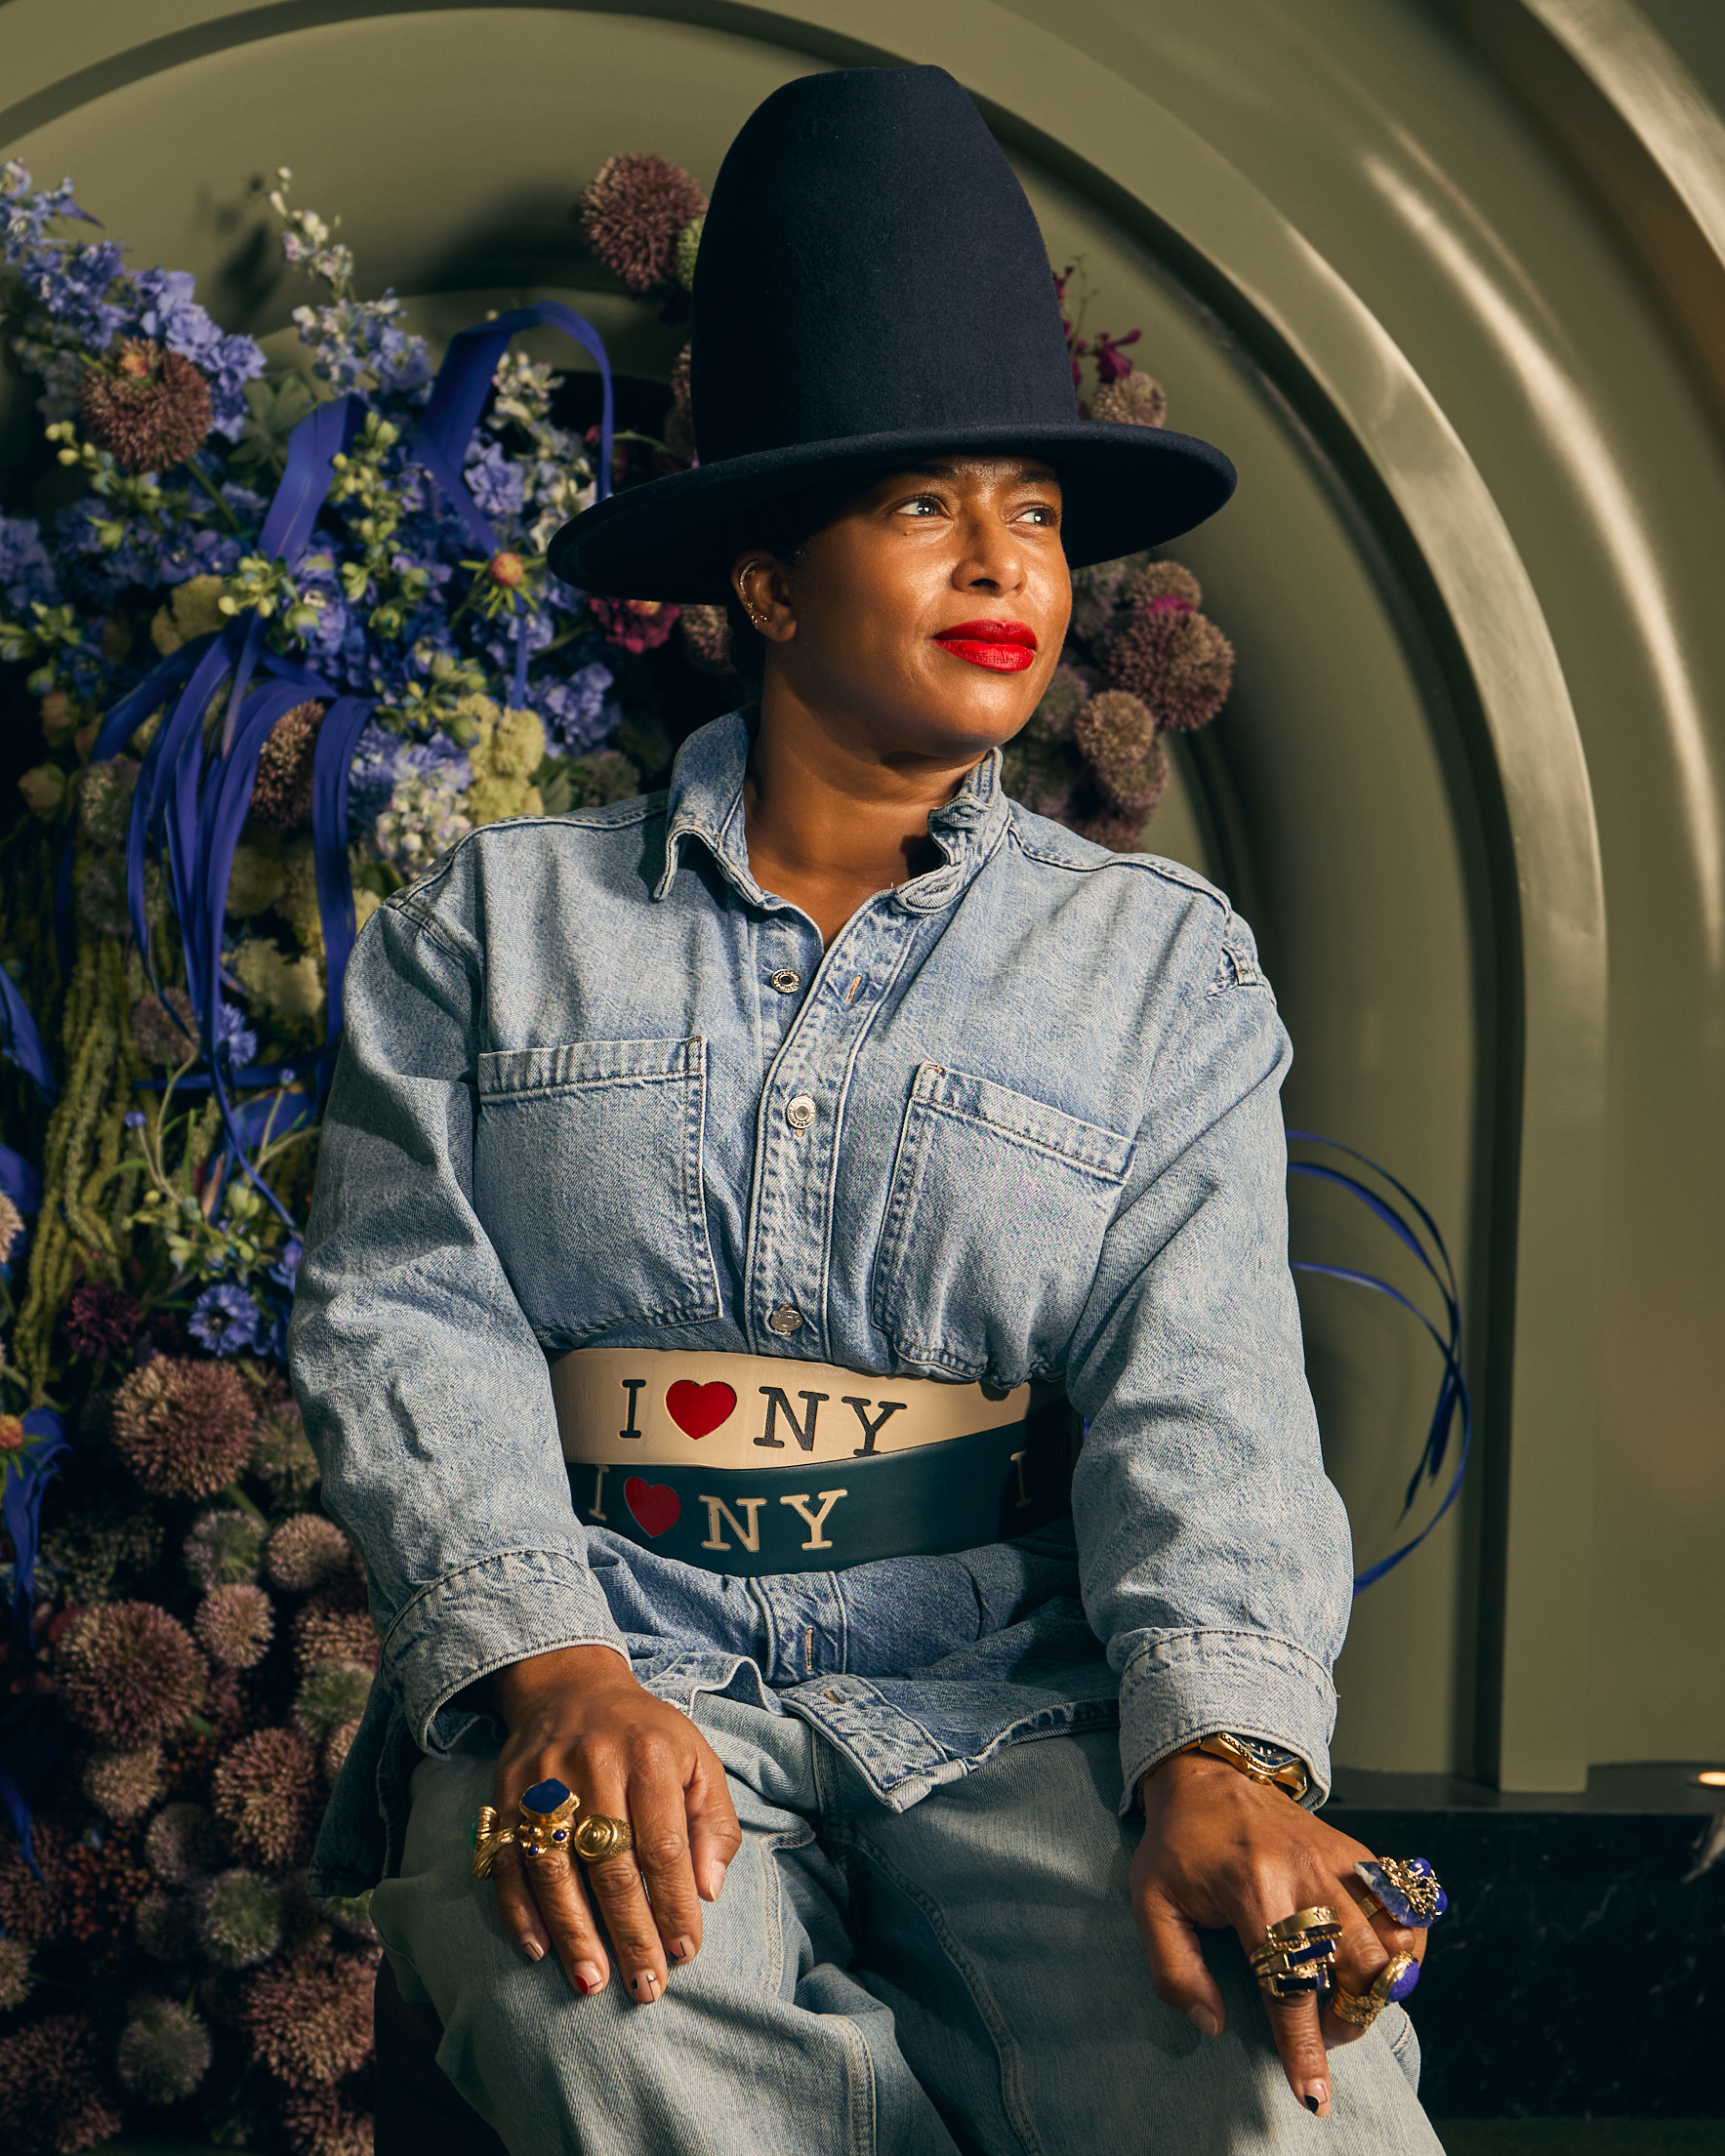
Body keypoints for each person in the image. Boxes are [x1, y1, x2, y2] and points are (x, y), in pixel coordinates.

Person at [293, 64, 1446, 2155]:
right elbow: (401, 1316)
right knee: (619, 2027)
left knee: (1301, 2088)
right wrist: (548, 1664)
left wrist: (1224, 1751)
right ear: (764, 577)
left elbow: (1207, 1401)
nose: (1004, 558)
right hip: (614, 1667)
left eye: (1035, 509)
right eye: (923, 504)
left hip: (1011, 1708)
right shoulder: (493, 927)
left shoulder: (1161, 973)